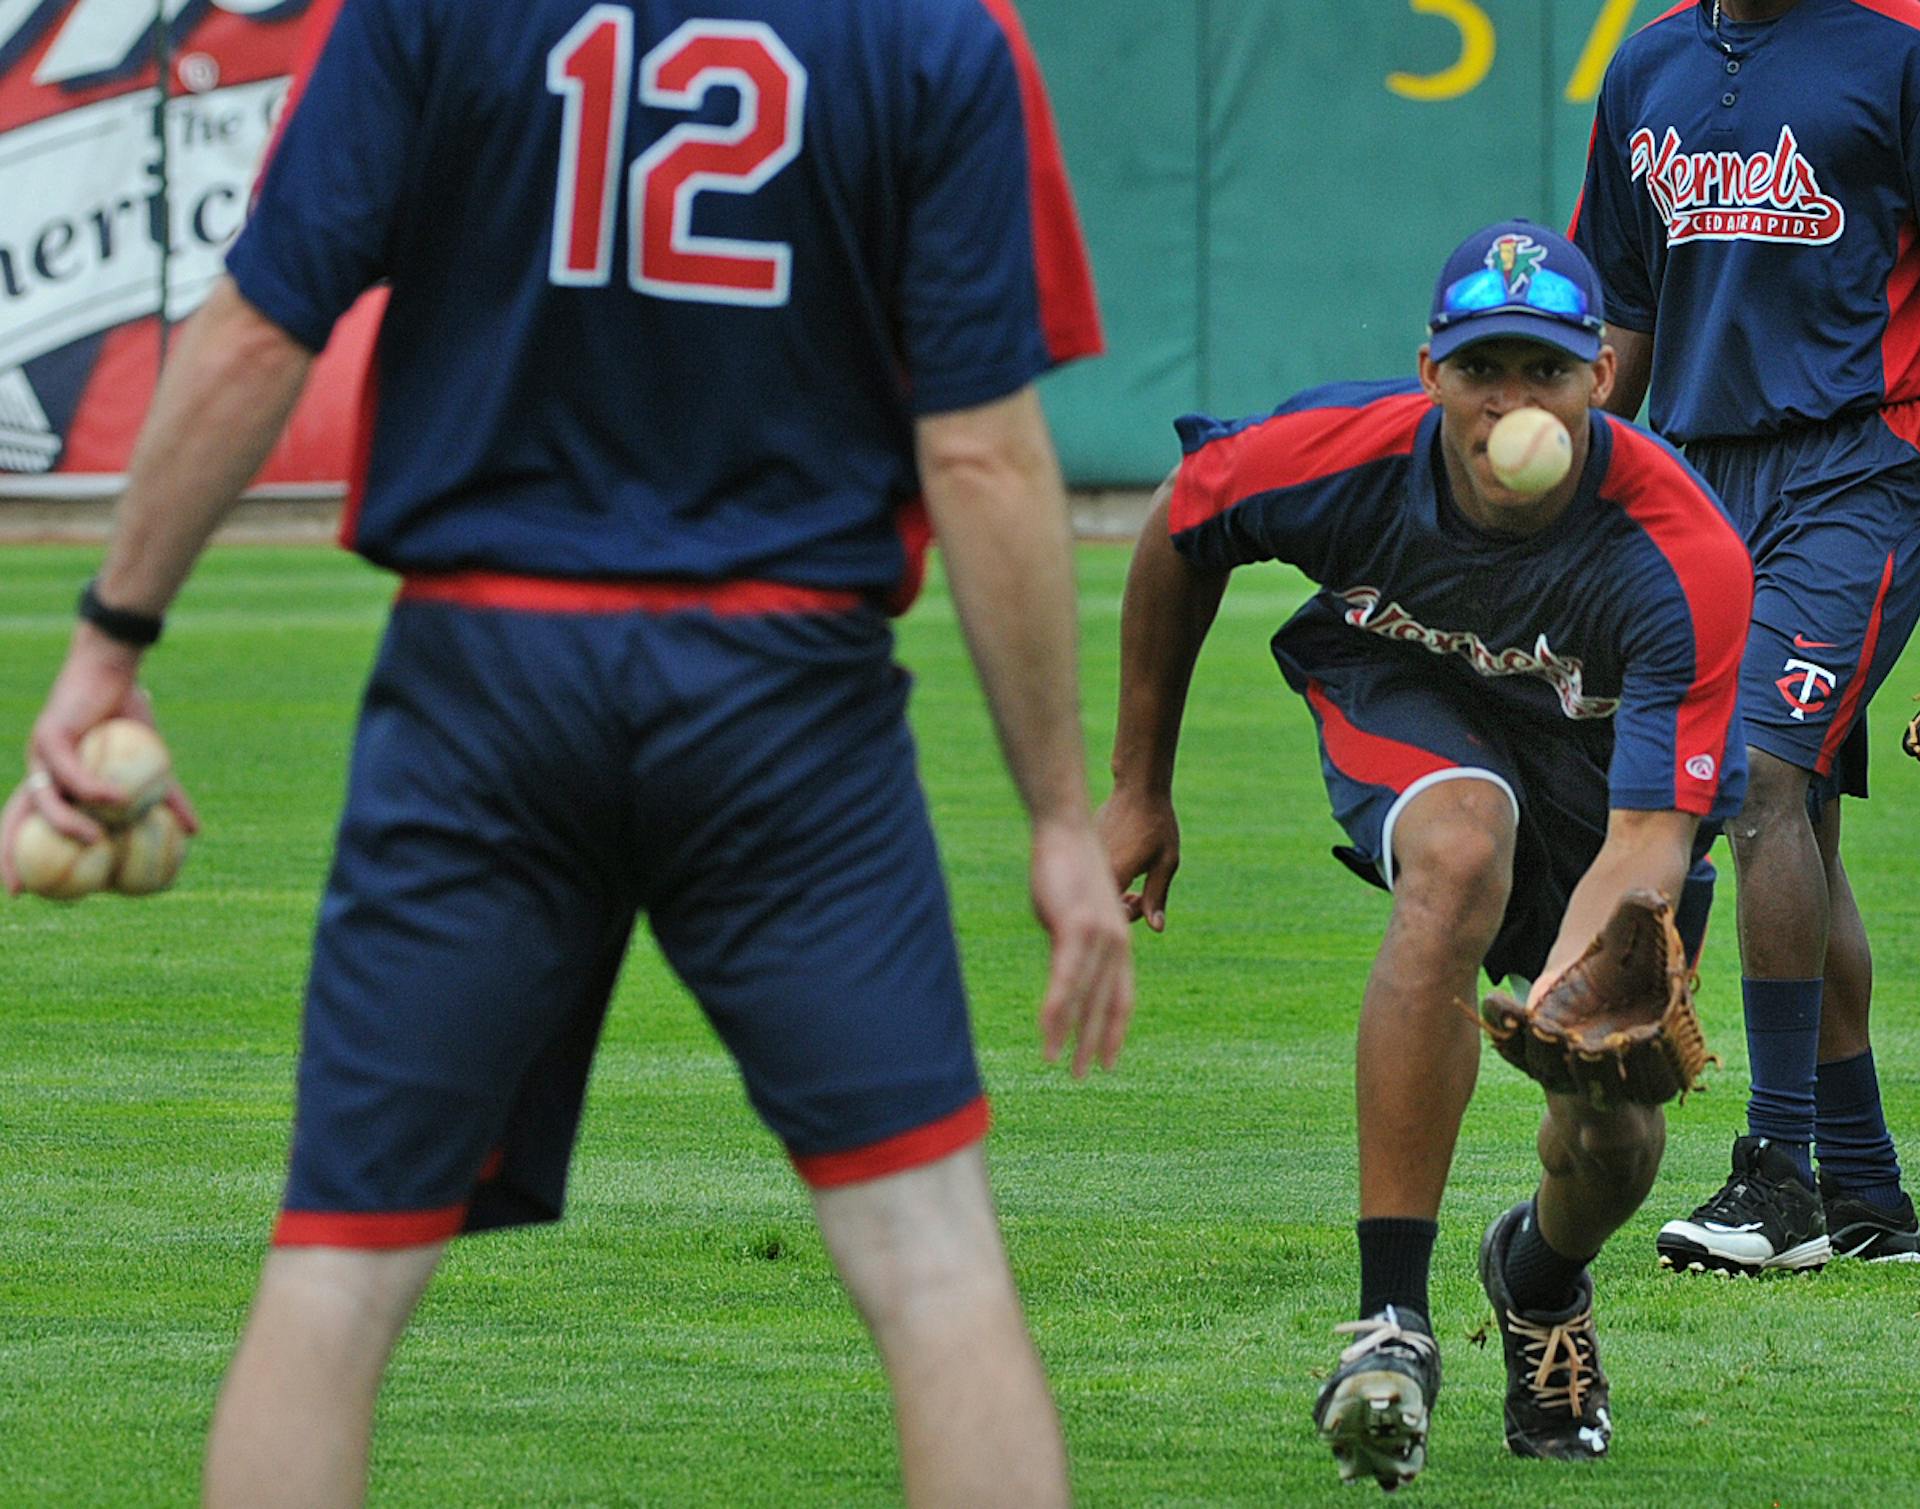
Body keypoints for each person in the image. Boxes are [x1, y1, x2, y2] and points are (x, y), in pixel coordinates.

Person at [0, 1, 1134, 1504]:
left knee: (336, 1275)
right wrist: (1060, 815)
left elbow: (263, 324)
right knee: (931, 1261)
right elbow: (982, 450)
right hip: (782, 699)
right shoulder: (938, 26)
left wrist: (109, 642)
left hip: (484, 689)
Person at [1097, 220, 1752, 1480]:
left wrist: (1569, 997)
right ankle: (1390, 1323)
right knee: (1457, 854)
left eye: (1547, 370)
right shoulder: (1335, 455)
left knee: (1607, 1140)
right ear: (1430, 371)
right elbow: (1189, 521)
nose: (1515, 401)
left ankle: (1539, 1277)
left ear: (1600, 378)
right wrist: (1140, 788)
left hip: (1600, 802)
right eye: (1483, 369)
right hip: (1405, 698)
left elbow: (1648, 835)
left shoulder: (1681, 553)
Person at [1571, 0, 1920, 1274]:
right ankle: (1866, 1196)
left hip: (1863, 465)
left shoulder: (1917, 54)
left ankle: (1775, 1175)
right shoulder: (1649, 63)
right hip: (1694, 479)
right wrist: (1552, 499)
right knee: (1799, 827)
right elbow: (1622, 316)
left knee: (1760, 779)